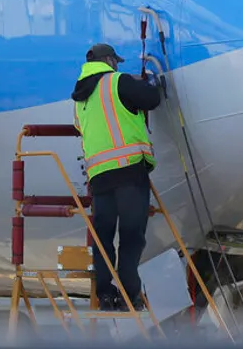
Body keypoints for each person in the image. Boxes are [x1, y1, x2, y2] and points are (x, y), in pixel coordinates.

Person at [71, 43, 162, 311]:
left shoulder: (79, 96)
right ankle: (130, 293)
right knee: (132, 234)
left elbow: (81, 127)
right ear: (109, 60)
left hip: (98, 176)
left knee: (104, 236)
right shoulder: (116, 82)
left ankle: (105, 293)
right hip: (129, 171)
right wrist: (152, 83)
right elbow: (152, 100)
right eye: (117, 62)